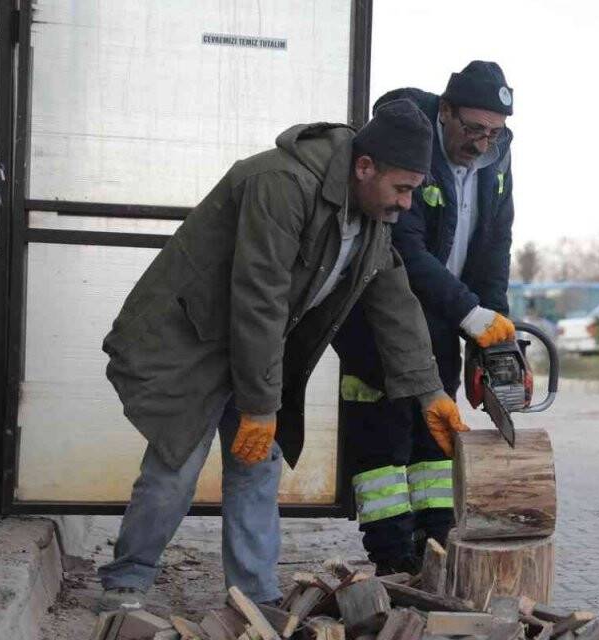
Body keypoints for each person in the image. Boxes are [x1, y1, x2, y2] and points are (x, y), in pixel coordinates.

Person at [95, 100, 467, 611]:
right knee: (174, 467)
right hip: (193, 340)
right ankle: (126, 584)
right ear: (364, 167)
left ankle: (254, 598)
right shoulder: (282, 184)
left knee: (256, 470)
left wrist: (431, 392)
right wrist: (260, 406)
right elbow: (259, 295)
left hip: (257, 346)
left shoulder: (371, 215)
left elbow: (394, 301)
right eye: (401, 188)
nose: (406, 203)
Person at [333, 61, 517, 573]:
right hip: (379, 322)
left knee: (435, 442)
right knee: (384, 446)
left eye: (495, 133)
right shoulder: (411, 148)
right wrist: (470, 311)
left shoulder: (496, 163)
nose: (482, 143)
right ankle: (392, 560)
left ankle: (434, 552)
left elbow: (494, 247)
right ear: (445, 111)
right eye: (473, 129)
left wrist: (493, 329)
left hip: (447, 321)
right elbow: (401, 248)